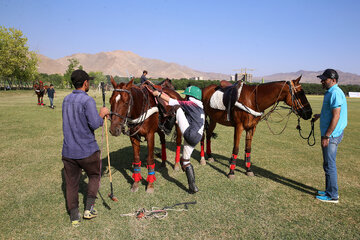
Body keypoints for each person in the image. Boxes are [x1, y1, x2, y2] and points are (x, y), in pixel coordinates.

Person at [62, 69, 110, 226]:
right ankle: (88, 209)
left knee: (71, 183)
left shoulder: (66, 99)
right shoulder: (87, 101)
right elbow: (95, 123)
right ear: (85, 83)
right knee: (95, 175)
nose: (89, 83)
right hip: (87, 150)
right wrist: (102, 113)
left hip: (69, 151)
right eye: (88, 81)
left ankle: (74, 216)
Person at [146, 83, 205, 193]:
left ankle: (166, 127)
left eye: (187, 96)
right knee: (186, 161)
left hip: (190, 134)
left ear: (191, 96)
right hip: (197, 137)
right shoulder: (200, 106)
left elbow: (171, 101)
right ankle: (193, 186)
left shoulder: (191, 103)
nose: (186, 97)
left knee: (177, 107)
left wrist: (158, 93)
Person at [313, 69, 347, 203]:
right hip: (331, 134)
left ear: (333, 80)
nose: (322, 81)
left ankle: (333, 195)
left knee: (330, 164)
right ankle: (328, 190)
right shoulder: (331, 92)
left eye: (324, 79)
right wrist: (320, 116)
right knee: (327, 163)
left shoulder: (335, 93)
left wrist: (327, 136)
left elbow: (336, 116)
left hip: (332, 135)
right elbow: (331, 112)